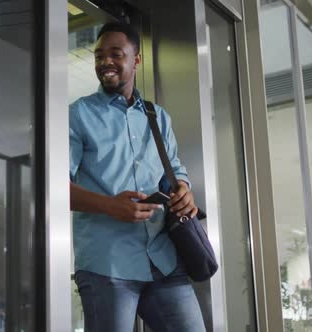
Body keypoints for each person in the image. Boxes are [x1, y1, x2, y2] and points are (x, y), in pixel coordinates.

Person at [69, 21, 206, 332]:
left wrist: (183, 189)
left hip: (163, 260)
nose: (105, 62)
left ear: (136, 60)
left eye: (116, 54)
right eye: (99, 56)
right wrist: (109, 206)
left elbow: (173, 171)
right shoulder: (78, 116)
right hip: (107, 264)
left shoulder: (157, 117)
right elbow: (54, 188)